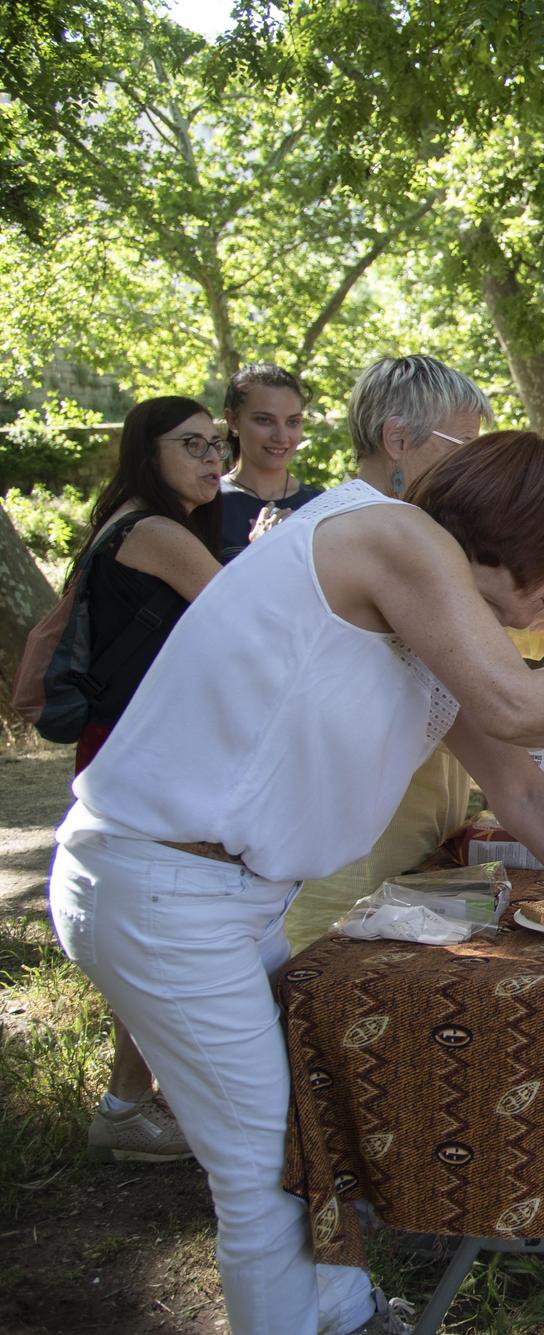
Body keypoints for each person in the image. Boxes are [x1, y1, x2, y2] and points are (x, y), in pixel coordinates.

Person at [47, 430, 544, 1335]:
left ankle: (345, 1314)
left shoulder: (427, 595)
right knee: (265, 1178)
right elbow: (517, 705)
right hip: (161, 890)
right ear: (513, 537)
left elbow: (525, 788)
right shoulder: (396, 535)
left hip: (214, 894)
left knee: (312, 1139)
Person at [281, 355, 544, 953]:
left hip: (401, 834)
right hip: (333, 859)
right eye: (465, 445)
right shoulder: (387, 539)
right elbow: (504, 705)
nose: (477, 467)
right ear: (397, 439)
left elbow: (509, 758)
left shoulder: (390, 537)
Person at [61, 396, 228, 1165]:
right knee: (157, 924)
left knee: (149, 926)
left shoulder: (134, 521)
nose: (211, 458)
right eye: (191, 443)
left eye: (216, 444)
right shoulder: (155, 530)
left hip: (130, 747)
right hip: (133, 752)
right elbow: (242, 617)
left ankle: (132, 1098)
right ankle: (129, 1104)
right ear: (145, 449)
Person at [216, 364, 322, 561]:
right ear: (233, 421)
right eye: (264, 420)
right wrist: (262, 551)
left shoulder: (321, 506)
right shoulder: (207, 504)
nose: (281, 437)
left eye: (292, 422)